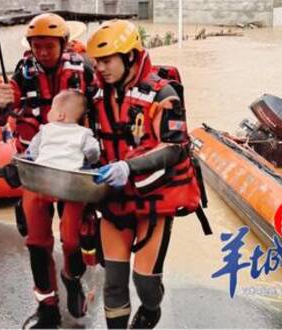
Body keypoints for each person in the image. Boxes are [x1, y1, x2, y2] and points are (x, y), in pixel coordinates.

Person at [86, 20, 206, 329]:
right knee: (113, 283)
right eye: (97, 61)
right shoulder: (96, 95)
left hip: (152, 200)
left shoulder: (163, 95)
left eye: (107, 60)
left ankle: (152, 309)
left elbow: (176, 147)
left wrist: (128, 167)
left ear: (129, 57)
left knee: (145, 282)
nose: (100, 68)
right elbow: (69, 119)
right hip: (114, 199)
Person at [0, 13, 97, 328]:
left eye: (49, 46)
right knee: (37, 242)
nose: (43, 52)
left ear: (62, 44)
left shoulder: (83, 70)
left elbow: (100, 111)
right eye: (37, 46)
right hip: (36, 171)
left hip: (72, 171)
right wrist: (0, 103)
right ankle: (47, 305)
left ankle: (72, 278)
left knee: (72, 238)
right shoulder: (22, 73)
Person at [26, 90, 100, 171]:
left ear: (60, 115)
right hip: (69, 175)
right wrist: (89, 161)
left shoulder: (46, 129)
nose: (48, 112)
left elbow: (33, 150)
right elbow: (93, 150)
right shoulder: (83, 133)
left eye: (51, 109)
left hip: (44, 172)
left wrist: (37, 159)